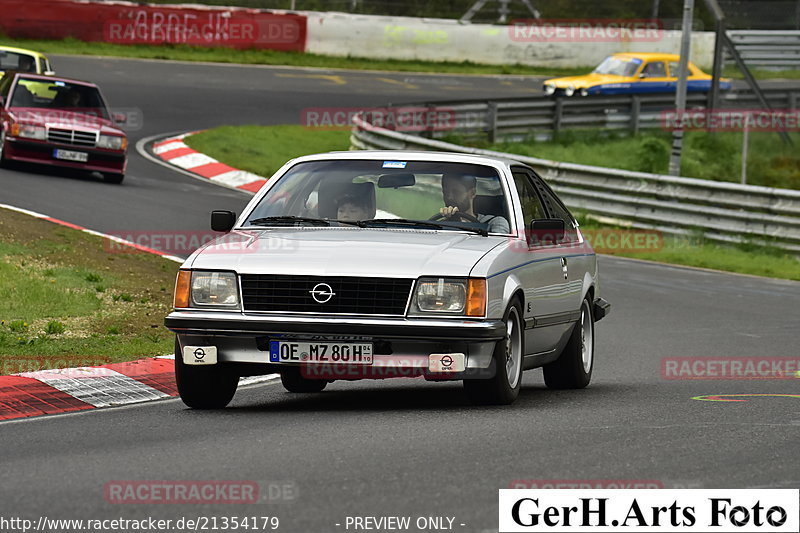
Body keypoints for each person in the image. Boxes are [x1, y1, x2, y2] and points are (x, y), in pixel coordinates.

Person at [439, 173, 510, 234]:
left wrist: (459, 225)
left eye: (456, 192)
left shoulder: (495, 222)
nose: (449, 197)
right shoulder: (438, 224)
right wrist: (449, 223)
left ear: (472, 193)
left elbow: (497, 247)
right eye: (445, 192)